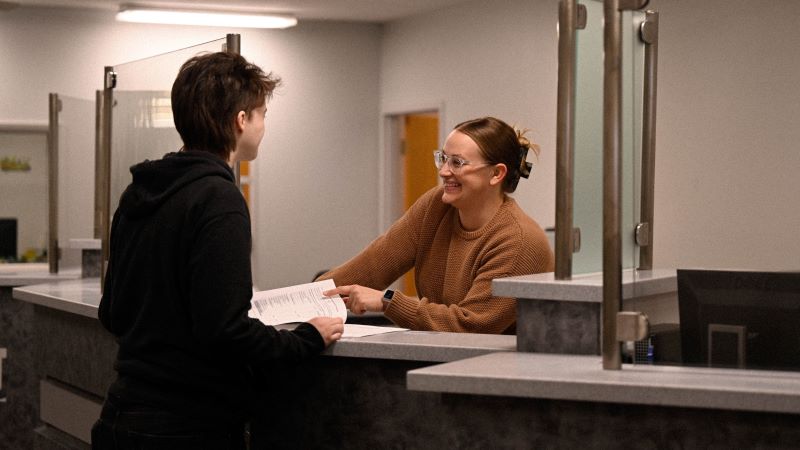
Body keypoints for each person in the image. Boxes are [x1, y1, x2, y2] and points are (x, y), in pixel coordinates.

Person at [91, 51, 344, 450]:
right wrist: (307, 338)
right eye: (261, 114)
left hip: (122, 416)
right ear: (241, 120)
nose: (263, 125)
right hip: (187, 428)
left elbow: (113, 312)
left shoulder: (140, 191)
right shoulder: (218, 197)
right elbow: (223, 330)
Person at [319, 116, 554, 334]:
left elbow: (470, 325)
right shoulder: (436, 206)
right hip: (443, 356)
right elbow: (375, 262)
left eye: (457, 163)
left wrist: (387, 301)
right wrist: (307, 297)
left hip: (498, 370)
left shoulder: (520, 241)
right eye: (443, 158)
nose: (444, 171)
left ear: (496, 173)